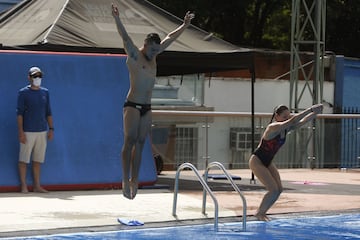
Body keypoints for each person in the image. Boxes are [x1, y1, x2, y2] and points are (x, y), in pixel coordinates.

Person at [111, 3, 194, 199]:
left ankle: (135, 180)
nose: (154, 53)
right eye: (152, 50)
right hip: (132, 104)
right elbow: (125, 37)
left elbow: (170, 38)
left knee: (141, 143)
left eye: (157, 51)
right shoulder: (134, 54)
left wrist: (185, 25)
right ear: (145, 45)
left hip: (147, 107)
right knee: (130, 140)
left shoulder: (154, 54)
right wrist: (116, 18)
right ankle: (125, 177)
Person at [249, 103, 323, 221]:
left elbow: (302, 122)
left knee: (279, 190)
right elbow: (293, 121)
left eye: (288, 116)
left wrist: (315, 113)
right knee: (273, 189)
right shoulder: (272, 127)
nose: (287, 119)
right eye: (284, 117)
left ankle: (262, 213)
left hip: (268, 162)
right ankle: (259, 213)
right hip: (257, 161)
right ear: (276, 116)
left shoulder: (285, 129)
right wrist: (310, 109)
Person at [17, 67, 54, 193]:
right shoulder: (23, 93)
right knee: (23, 160)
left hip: (42, 131)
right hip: (28, 131)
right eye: (34, 76)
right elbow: (19, 113)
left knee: (38, 160)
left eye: (39, 76)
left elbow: (48, 112)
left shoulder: (45, 92)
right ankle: (24, 186)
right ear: (29, 77)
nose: (37, 78)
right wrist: (21, 132)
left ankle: (37, 186)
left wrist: (51, 129)